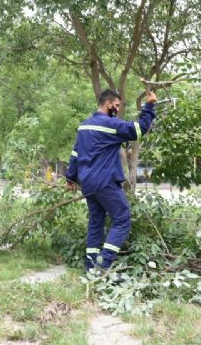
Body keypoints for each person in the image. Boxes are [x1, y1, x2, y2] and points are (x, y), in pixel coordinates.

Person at [65, 88, 157, 274]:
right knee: (122, 219)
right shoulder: (110, 124)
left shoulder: (84, 126)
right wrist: (149, 106)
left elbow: (76, 153)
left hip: (87, 183)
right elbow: (139, 129)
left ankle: (91, 267)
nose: (117, 109)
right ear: (108, 104)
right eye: (116, 106)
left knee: (96, 222)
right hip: (104, 181)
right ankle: (103, 265)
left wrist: (70, 177)